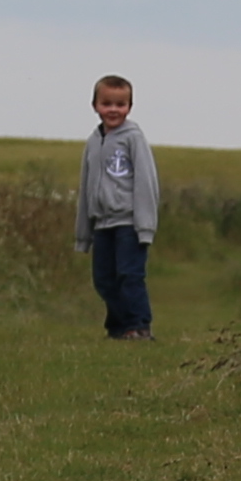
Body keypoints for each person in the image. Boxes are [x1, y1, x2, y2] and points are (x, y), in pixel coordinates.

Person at [72, 73, 161, 340]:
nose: (113, 110)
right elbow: (87, 187)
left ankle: (138, 326)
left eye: (120, 104)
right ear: (95, 105)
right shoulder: (93, 142)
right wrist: (83, 234)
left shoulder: (133, 138)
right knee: (104, 279)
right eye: (107, 103)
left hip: (129, 223)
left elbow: (146, 182)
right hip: (102, 223)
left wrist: (145, 226)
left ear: (129, 107)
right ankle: (119, 327)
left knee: (128, 276)